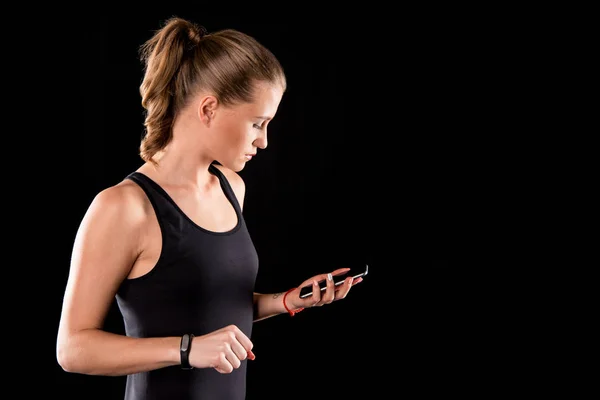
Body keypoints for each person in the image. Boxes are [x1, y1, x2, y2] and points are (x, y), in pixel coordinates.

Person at [56, 16, 363, 400]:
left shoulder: (232, 188)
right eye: (257, 123)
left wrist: (284, 301)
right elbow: (73, 349)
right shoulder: (124, 207)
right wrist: (186, 349)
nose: (264, 141)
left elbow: (207, 308)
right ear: (209, 109)